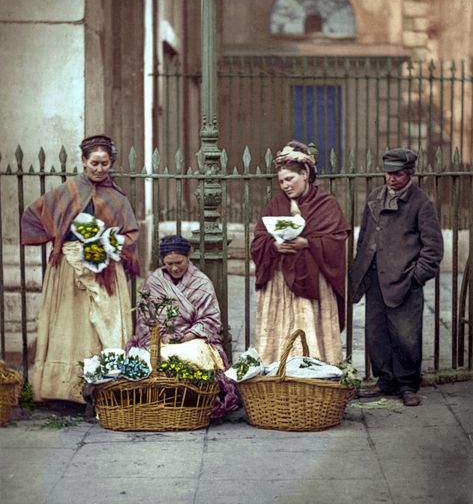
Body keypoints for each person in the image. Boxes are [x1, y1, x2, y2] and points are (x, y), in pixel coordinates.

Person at [21, 135, 139, 405]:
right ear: (84, 162)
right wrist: (59, 239)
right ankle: (65, 390)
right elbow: (34, 214)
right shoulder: (68, 191)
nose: (99, 169)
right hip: (69, 269)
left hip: (105, 270)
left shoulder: (117, 198)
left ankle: (105, 386)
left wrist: (110, 244)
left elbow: (131, 233)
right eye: (94, 163)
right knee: (70, 325)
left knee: (105, 324)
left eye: (105, 164)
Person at [350, 148, 444, 406]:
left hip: (404, 281)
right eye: (388, 173)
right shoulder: (375, 197)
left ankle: (407, 385)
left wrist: (416, 277)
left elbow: (433, 248)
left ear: (410, 174)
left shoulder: (421, 203)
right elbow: (364, 238)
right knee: (376, 333)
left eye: (398, 174)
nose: (391, 179)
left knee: (406, 335)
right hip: (375, 280)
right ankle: (385, 381)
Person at [251, 140, 350, 365]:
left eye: (290, 179)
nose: (285, 185)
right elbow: (258, 238)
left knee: (310, 332)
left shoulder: (326, 204)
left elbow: (336, 239)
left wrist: (307, 243)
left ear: (305, 173)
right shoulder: (275, 204)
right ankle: (277, 375)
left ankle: (316, 374)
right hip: (280, 283)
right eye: (281, 181)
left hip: (314, 281)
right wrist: (273, 246)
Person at [129, 234, 239, 419]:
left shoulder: (201, 283)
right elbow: (146, 318)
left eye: (179, 262)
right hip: (160, 338)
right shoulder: (154, 281)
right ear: (162, 261)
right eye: (169, 263)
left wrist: (185, 337)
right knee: (149, 357)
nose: (174, 267)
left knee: (195, 355)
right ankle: (159, 400)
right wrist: (161, 336)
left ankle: (194, 400)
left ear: (188, 257)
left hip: (192, 338)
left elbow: (210, 320)